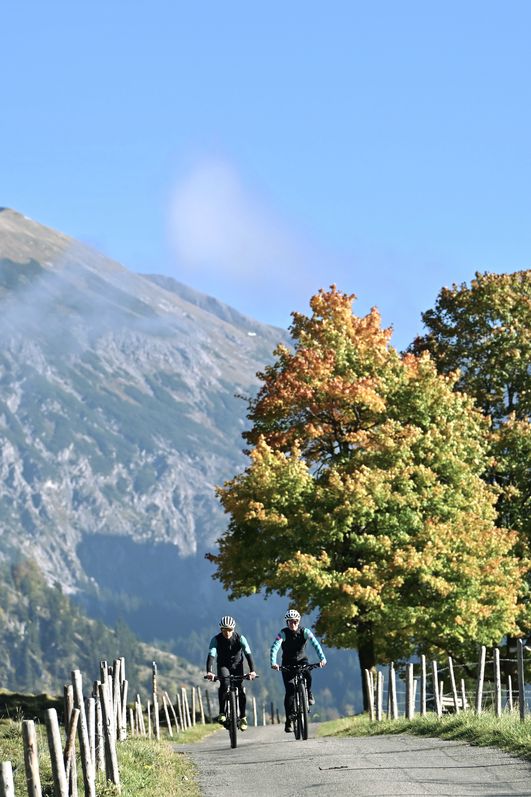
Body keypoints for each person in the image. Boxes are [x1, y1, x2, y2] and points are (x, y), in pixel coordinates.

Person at [270, 609, 326, 733]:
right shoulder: (283, 633)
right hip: (287, 663)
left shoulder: (305, 632)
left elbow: (315, 644)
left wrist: (322, 658)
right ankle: (289, 720)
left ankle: (309, 693)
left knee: (308, 674)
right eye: (290, 622)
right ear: (287, 622)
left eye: (295, 621)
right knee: (290, 691)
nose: (292, 624)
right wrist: (273, 662)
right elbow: (275, 647)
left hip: (302, 661)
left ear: (298, 621)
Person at [205, 615, 257, 731]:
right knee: (224, 683)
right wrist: (209, 672)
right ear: (221, 629)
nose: (227, 632)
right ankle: (222, 712)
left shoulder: (240, 638)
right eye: (224, 630)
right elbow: (211, 655)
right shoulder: (216, 639)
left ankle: (243, 717)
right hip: (223, 665)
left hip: (237, 665)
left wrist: (252, 671)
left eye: (229, 630)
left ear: (233, 629)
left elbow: (248, 654)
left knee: (240, 688)